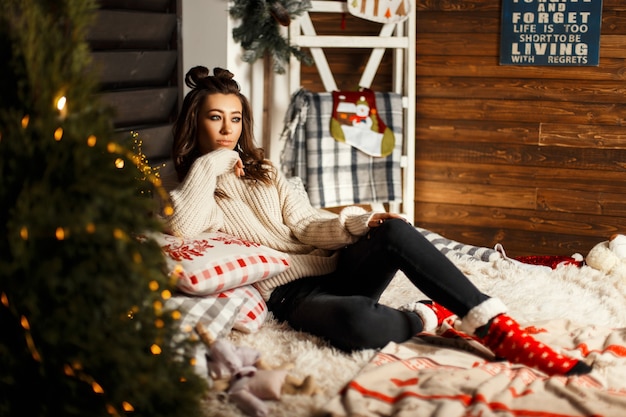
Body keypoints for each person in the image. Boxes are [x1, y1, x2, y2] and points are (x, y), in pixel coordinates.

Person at [165, 66, 592, 377]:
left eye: (235, 118)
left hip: (333, 267)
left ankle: (494, 326)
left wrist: (359, 223)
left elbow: (306, 225)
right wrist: (213, 163)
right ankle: (425, 316)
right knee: (359, 324)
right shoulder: (188, 189)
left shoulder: (268, 173)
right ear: (195, 121)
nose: (228, 129)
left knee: (392, 229)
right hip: (288, 296)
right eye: (215, 117)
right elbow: (184, 226)